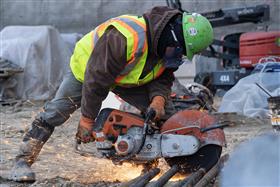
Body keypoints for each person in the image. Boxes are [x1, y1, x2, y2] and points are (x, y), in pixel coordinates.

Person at [10, 6, 213, 182]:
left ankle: (147, 164)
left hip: (127, 78)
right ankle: (22, 160)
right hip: (88, 71)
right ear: (171, 36)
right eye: (178, 52)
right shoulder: (125, 37)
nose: (178, 57)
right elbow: (96, 80)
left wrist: (158, 100)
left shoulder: (167, 47)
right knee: (58, 111)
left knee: (164, 115)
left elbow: (163, 75)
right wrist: (87, 120)